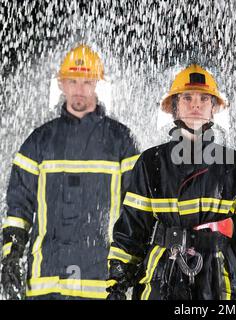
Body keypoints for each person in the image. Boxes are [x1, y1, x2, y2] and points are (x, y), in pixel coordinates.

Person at [106, 64, 236, 300]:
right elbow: (132, 228)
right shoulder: (151, 162)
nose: (195, 105)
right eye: (187, 98)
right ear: (174, 108)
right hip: (162, 275)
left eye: (204, 98)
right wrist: (117, 284)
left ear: (214, 108)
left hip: (218, 279)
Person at [0, 44, 139, 300]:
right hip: (46, 282)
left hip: (102, 283)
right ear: (61, 84)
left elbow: (136, 211)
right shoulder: (39, 141)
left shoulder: (121, 141)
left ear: (98, 84)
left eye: (87, 82)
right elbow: (18, 208)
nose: (79, 89)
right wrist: (11, 254)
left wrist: (129, 268)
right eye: (72, 81)